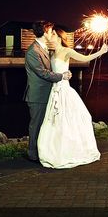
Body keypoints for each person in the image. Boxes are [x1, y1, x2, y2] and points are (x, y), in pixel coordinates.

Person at [37, 27, 108, 169]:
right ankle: (54, 151)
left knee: (71, 120)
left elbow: (85, 58)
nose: (49, 35)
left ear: (58, 36)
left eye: (52, 33)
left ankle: (69, 151)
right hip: (55, 90)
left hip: (64, 90)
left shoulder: (66, 51)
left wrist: (100, 52)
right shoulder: (52, 52)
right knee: (55, 122)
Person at [24, 21, 72, 162]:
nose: (52, 33)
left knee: (45, 126)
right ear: (44, 32)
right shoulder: (32, 51)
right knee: (36, 125)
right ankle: (33, 154)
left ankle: (43, 151)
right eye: (51, 31)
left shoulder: (43, 48)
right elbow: (42, 73)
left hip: (47, 94)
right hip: (37, 95)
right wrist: (61, 76)